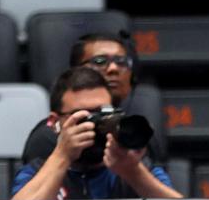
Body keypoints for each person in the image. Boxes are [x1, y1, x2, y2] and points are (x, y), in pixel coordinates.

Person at [10, 67, 181, 200]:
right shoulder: (37, 170)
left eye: (103, 113)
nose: (96, 123)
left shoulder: (134, 165)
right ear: (54, 122)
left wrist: (133, 172)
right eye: (86, 115)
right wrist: (62, 156)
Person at [20, 32, 166, 165]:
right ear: (77, 72)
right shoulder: (50, 136)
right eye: (100, 61)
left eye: (121, 62)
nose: (113, 69)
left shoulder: (136, 131)